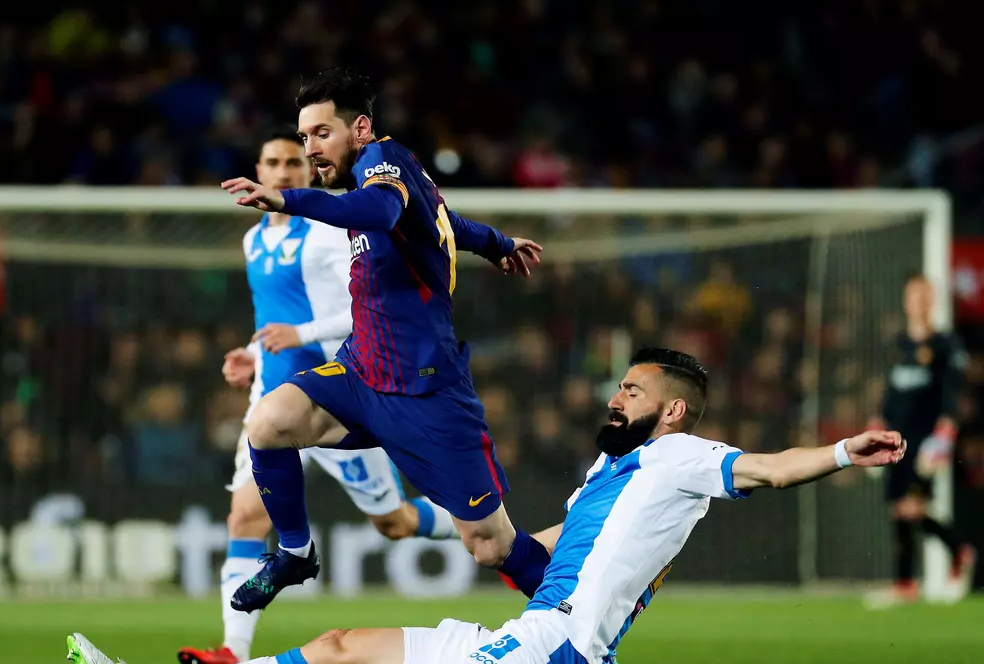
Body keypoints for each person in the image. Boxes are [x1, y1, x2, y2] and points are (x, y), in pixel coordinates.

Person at [65, 347, 909, 664]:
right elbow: (527, 546)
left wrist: (843, 451)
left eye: (632, 390)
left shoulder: (683, 457)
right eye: (618, 386)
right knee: (339, 645)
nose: (615, 397)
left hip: (556, 649)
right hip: (531, 636)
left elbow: (768, 469)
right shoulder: (606, 477)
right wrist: (445, 526)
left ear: (673, 410)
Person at [214, 67, 547, 614]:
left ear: (361, 128)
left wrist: (287, 199)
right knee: (269, 422)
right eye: (304, 137)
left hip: (423, 390)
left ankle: (581, 616)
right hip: (361, 373)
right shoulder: (385, 175)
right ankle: (296, 554)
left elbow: (380, 209)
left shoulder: (380, 164)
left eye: (322, 133)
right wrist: (497, 242)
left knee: (491, 546)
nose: (311, 148)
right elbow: (443, 219)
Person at [179, 129, 459, 664]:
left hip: (335, 401)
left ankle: (487, 532)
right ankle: (231, 651)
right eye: (273, 162)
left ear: (308, 172)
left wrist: (301, 335)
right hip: (274, 405)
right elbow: (275, 318)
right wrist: (253, 353)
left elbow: (364, 312)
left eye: (293, 162)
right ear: (258, 171)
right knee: (244, 518)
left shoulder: (329, 232)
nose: (283, 171)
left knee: (393, 523)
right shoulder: (254, 239)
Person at [866, 273, 975, 608]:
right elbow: (888, 393)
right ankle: (909, 582)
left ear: (933, 299)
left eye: (925, 294)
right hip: (894, 438)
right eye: (914, 295)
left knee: (912, 507)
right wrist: (876, 424)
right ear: (906, 300)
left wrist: (943, 436)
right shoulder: (897, 344)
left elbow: (953, 393)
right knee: (899, 510)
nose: (920, 301)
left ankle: (955, 553)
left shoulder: (945, 344)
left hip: (926, 439)